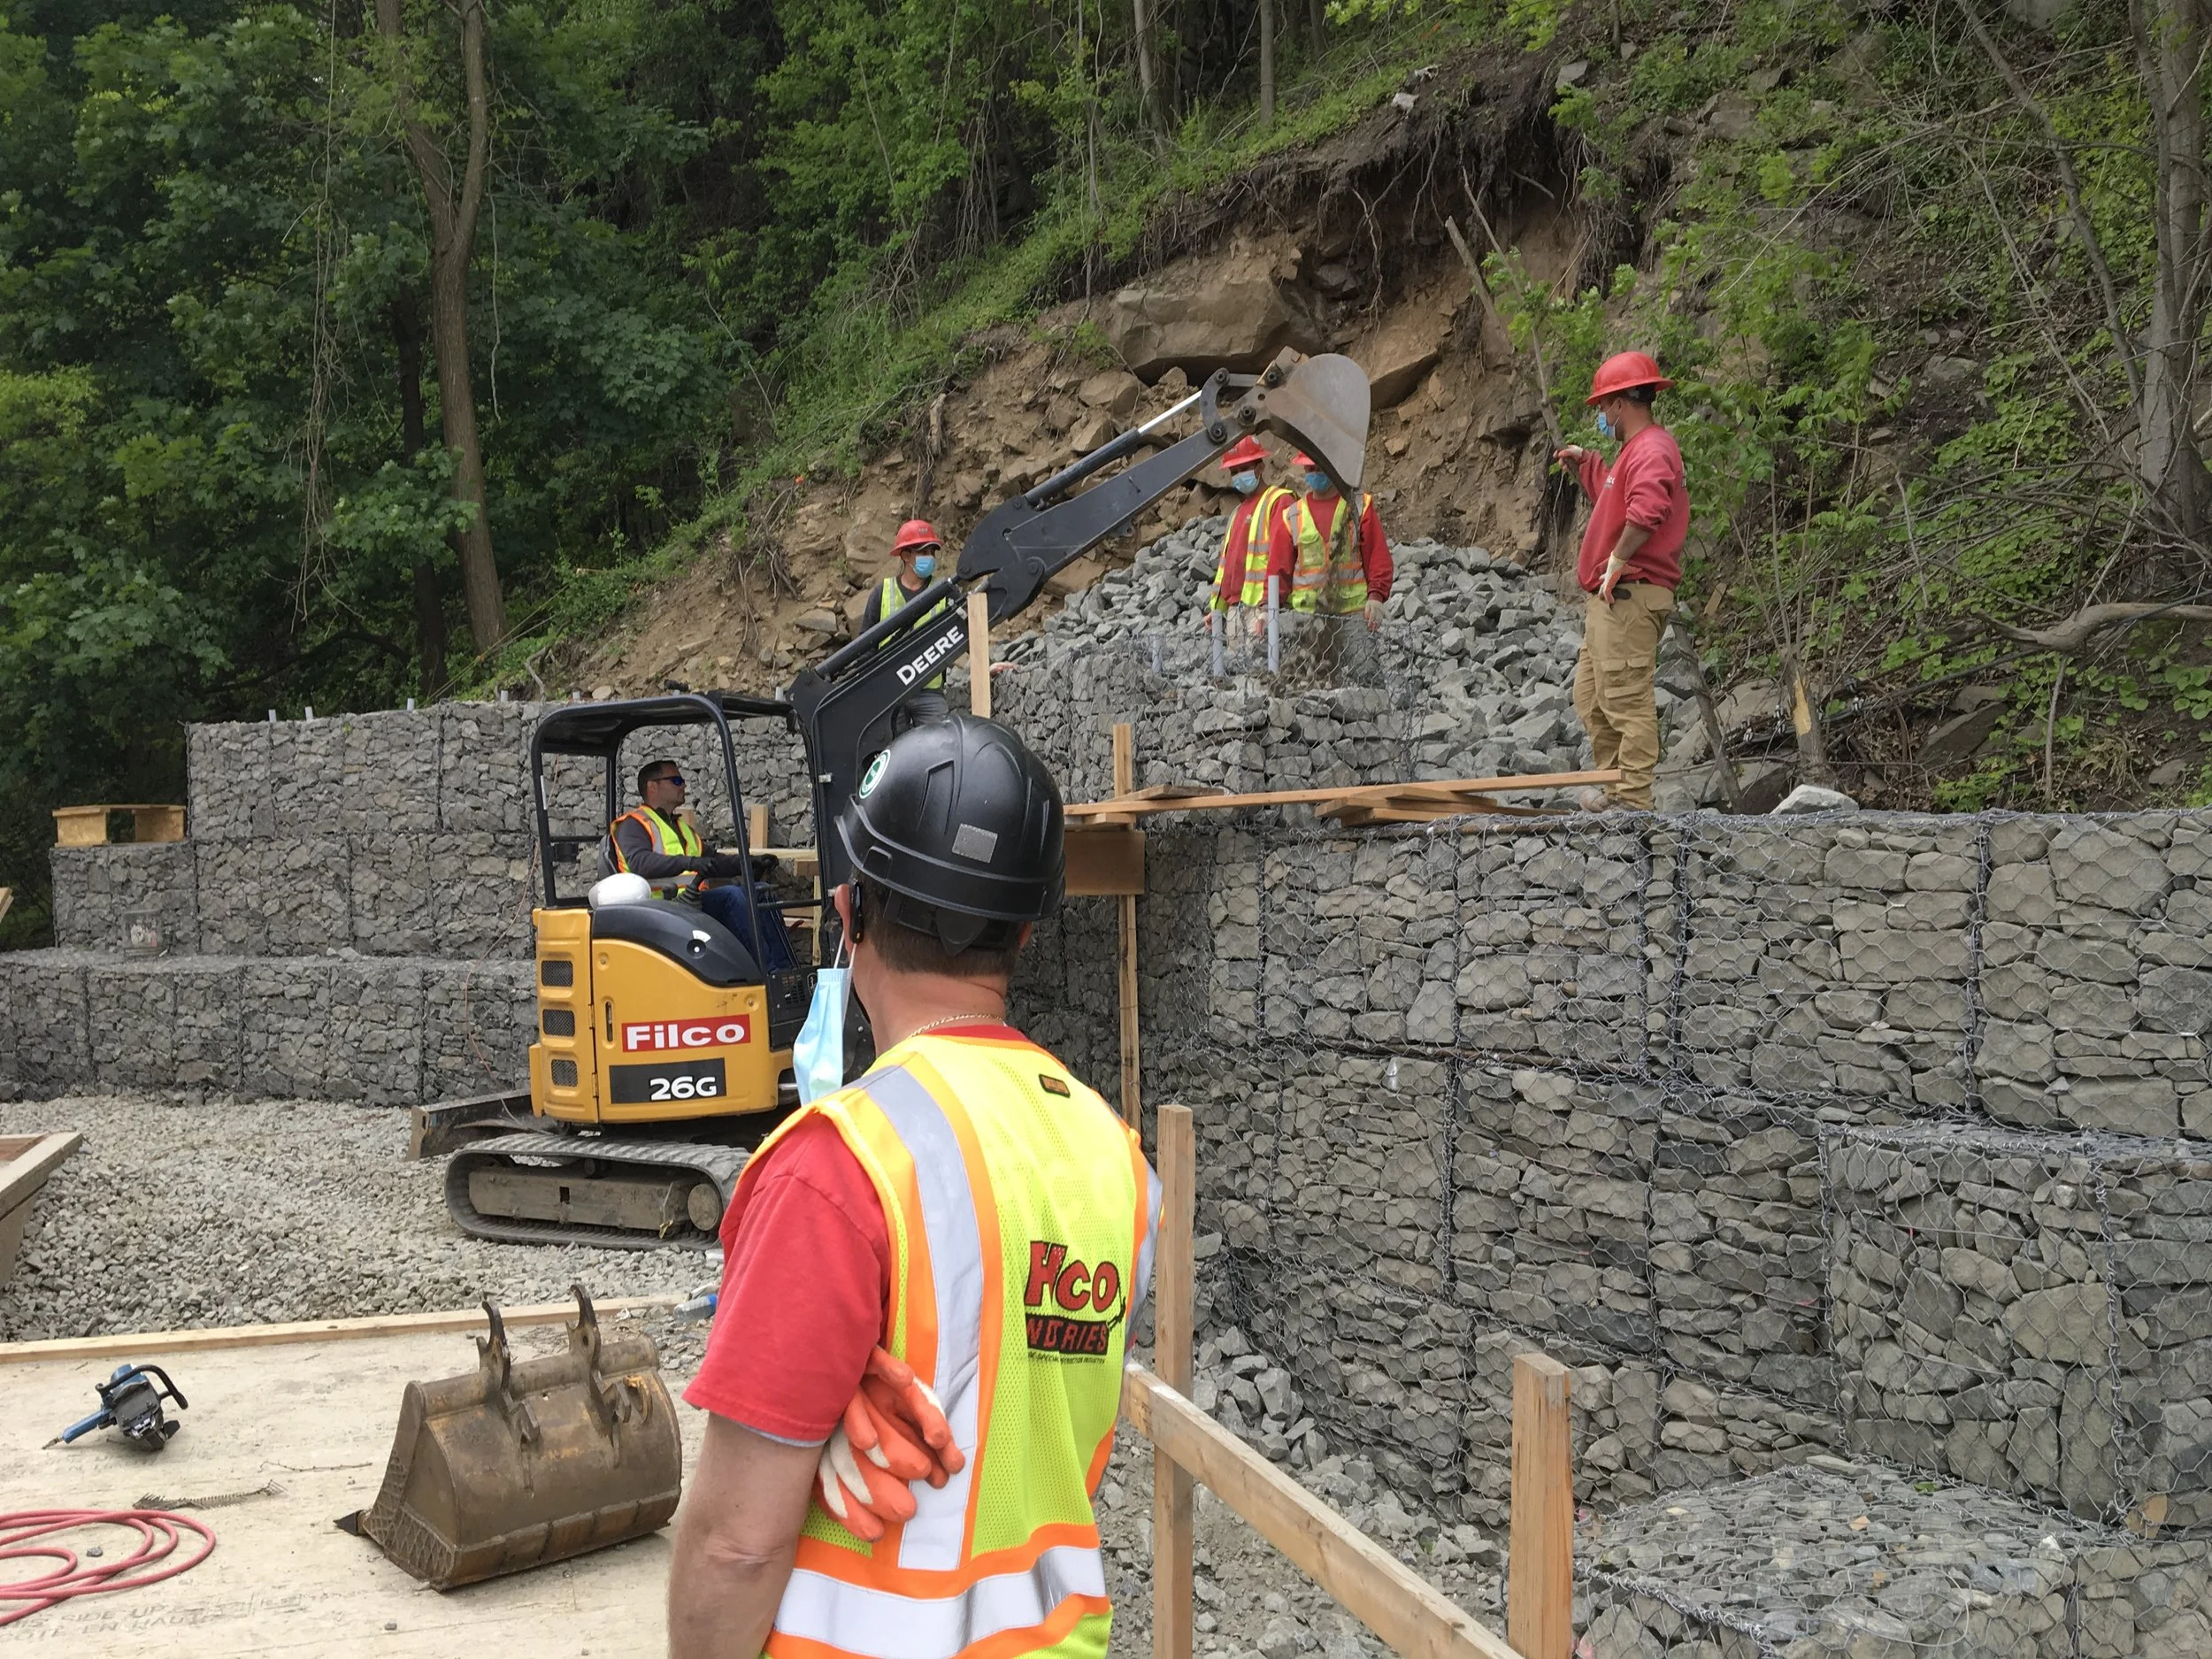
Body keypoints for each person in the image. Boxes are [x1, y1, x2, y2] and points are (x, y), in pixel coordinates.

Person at [667, 714, 1159, 1659]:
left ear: (849, 914)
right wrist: (834, 1389)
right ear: (1023, 932)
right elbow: (1007, 1387)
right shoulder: (1119, 1162)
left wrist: (810, 1419)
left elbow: (737, 1544)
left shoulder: (836, 1164)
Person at [1553, 350, 1690, 811]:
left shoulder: (1652, 448)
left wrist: (1616, 559)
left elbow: (1647, 509)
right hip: (1613, 599)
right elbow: (1617, 493)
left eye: (1601, 408)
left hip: (1630, 595)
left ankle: (1633, 803)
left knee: (1626, 701)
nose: (1600, 417)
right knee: (1592, 698)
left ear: (1618, 404)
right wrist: (1587, 463)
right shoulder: (1635, 451)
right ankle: (1616, 791)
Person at [603, 758, 796, 970]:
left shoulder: (680, 828)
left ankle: (787, 974)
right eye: (676, 780)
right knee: (732, 897)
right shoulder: (633, 825)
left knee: (760, 891)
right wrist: (691, 862)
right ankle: (768, 974)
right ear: (653, 786)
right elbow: (641, 863)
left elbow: (713, 860)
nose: (684, 785)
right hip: (659, 908)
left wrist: (748, 863)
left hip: (690, 903)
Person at [1265, 450, 1392, 630]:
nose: (1315, 472)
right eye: (1310, 469)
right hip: (1307, 617)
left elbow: (1377, 555)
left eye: (1319, 467)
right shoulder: (1292, 516)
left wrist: (1376, 596)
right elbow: (1278, 570)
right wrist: (1267, 608)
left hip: (1353, 614)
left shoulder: (1358, 506)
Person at [1204, 435, 1294, 633]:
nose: (1238, 476)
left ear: (1260, 468)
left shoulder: (1279, 501)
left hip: (1262, 609)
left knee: (1267, 663)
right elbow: (1227, 566)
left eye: (1243, 469)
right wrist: (1218, 609)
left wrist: (1269, 606)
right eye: (1234, 472)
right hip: (1236, 610)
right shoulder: (1237, 512)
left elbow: (1282, 559)